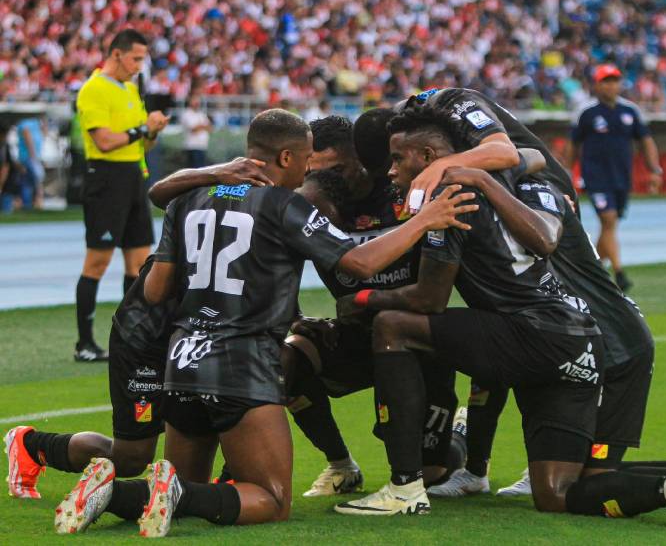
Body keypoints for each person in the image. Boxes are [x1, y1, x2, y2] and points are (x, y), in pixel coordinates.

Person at [53, 108, 478, 537]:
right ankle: (166, 492)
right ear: (288, 158)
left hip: (182, 359)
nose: (311, 168)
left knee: (187, 492)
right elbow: (359, 263)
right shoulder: (284, 205)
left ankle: (112, 494)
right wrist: (428, 218)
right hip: (241, 361)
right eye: (308, 158)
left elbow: (155, 291)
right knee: (272, 499)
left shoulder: (189, 199)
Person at [334, 105, 666, 531]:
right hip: (577, 339)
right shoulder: (517, 176)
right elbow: (530, 161)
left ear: (428, 157)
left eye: (398, 159)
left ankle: (406, 486)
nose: (390, 171)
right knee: (556, 492)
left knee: (394, 327)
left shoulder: (450, 198)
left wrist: (366, 299)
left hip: (531, 334)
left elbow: (429, 299)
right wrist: (484, 172)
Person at [4, 158, 276, 500]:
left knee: (229, 409)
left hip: (194, 340)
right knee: (132, 458)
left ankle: (227, 482)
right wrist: (215, 172)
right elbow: (159, 193)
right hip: (146, 339)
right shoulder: (205, 200)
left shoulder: (273, 209)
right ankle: (31, 446)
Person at [73, 28, 170, 362]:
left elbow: (142, 143)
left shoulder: (131, 89)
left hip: (133, 178)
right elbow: (105, 141)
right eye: (136, 58)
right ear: (117, 54)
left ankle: (131, 336)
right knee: (98, 261)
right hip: (105, 179)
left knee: (139, 262)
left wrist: (152, 131)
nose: (139, 66)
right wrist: (143, 129)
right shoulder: (93, 89)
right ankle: (84, 343)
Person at [566, 65, 664, 292]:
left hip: (621, 177)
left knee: (610, 226)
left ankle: (595, 270)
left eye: (614, 81)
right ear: (596, 84)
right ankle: (619, 272)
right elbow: (573, 144)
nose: (611, 86)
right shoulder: (586, 112)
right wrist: (567, 172)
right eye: (605, 81)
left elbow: (646, 141)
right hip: (595, 176)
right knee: (608, 220)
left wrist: (654, 170)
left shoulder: (630, 111)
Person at [16, 115, 46, 209]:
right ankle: (28, 204)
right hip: (28, 157)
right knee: (32, 181)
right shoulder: (24, 122)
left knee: (30, 181)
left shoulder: (36, 121)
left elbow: (43, 133)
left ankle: (32, 203)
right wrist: (33, 156)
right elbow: (27, 138)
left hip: (33, 157)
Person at [180, 95, 212, 168]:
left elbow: (210, 128)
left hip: (202, 146)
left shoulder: (201, 114)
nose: (197, 103)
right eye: (194, 101)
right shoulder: (186, 114)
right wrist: (203, 126)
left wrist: (201, 126)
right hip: (192, 147)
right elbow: (193, 129)